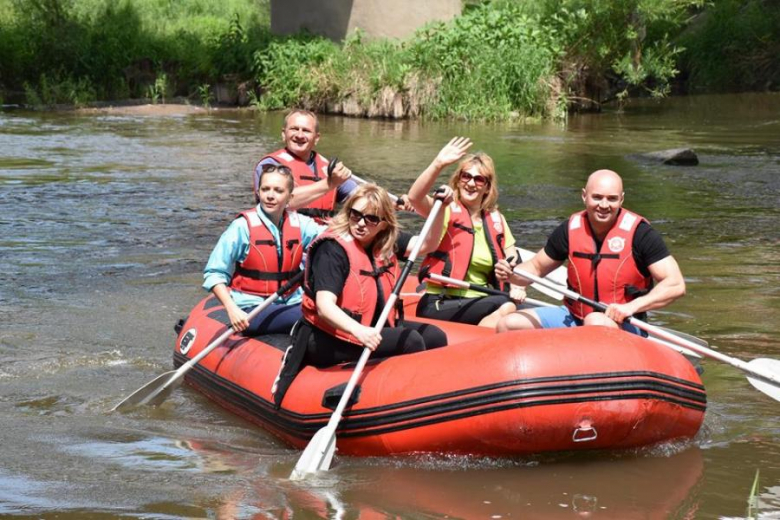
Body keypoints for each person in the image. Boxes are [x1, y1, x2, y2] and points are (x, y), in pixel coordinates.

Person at [271, 184, 452, 406]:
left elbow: (428, 244)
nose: (360, 223)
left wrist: (441, 207)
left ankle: (435, 393)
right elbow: (324, 306)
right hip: (328, 336)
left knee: (435, 336)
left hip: (369, 329)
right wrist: (360, 332)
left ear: (383, 223)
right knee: (410, 341)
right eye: (355, 215)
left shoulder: (386, 241)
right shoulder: (332, 249)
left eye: (370, 219)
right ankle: (408, 401)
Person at [495, 169, 686, 335]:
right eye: (597, 197)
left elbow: (676, 284)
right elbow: (536, 268)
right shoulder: (569, 229)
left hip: (623, 324)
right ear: (584, 196)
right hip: (574, 316)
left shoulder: (641, 234)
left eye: (611, 199)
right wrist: (512, 274)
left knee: (594, 321)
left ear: (621, 199)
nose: (604, 205)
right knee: (509, 324)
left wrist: (630, 307)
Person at [407, 137, 525, 328]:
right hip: (441, 300)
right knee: (505, 305)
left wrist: (517, 283)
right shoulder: (444, 208)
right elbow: (415, 198)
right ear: (458, 180)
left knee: (510, 307)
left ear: (487, 186)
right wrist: (438, 164)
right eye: (466, 176)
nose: (471, 183)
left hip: (483, 300)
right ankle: (477, 348)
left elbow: (514, 260)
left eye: (479, 179)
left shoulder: (496, 219)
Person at [203, 164, 325, 335]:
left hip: (292, 301)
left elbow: (331, 238)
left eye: (278, 190)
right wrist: (231, 309)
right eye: (265, 189)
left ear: (290, 197)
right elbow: (214, 273)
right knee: (315, 317)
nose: (270, 195)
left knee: (328, 312)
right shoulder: (242, 227)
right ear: (258, 192)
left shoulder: (301, 224)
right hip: (251, 308)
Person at [254, 109, 358, 223]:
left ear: (316, 138)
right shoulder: (269, 165)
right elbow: (281, 201)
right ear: (284, 134)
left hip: (323, 235)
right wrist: (330, 183)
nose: (299, 135)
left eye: (306, 130)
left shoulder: (328, 168)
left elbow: (360, 195)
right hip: (284, 233)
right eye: (294, 129)